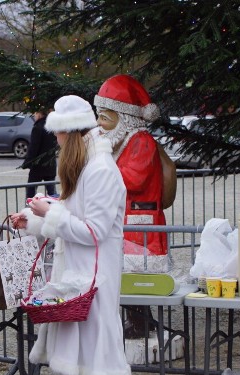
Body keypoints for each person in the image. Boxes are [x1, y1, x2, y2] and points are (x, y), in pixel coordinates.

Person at [10, 95, 130, 375]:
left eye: (59, 136)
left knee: (88, 356)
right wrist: (35, 219)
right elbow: (72, 216)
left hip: (94, 277)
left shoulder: (101, 170)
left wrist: (50, 213)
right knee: (82, 357)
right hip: (80, 275)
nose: (56, 142)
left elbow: (92, 230)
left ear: (72, 133)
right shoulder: (87, 166)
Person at [94, 74, 173, 339]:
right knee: (127, 273)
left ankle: (140, 322)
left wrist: (102, 168)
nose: (100, 124)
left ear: (123, 118)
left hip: (141, 222)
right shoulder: (122, 142)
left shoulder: (141, 141)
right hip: (130, 221)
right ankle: (138, 319)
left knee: (136, 275)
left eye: (105, 118)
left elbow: (133, 178)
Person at [20, 109, 58, 199]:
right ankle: (53, 208)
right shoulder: (52, 126)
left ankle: (29, 208)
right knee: (52, 192)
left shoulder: (38, 127)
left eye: (35, 113)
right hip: (50, 164)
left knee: (31, 190)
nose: (34, 115)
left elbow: (33, 147)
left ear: (40, 114)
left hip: (38, 165)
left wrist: (27, 163)